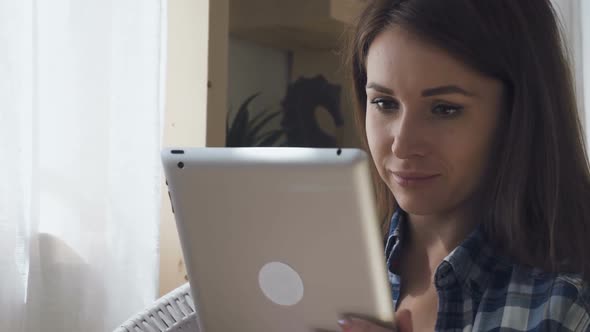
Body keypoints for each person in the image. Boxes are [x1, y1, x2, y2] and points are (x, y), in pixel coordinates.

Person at [337, 0, 590, 331]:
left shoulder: (565, 300)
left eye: (444, 109)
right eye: (384, 103)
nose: (402, 144)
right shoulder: (334, 274)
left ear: (517, 113)